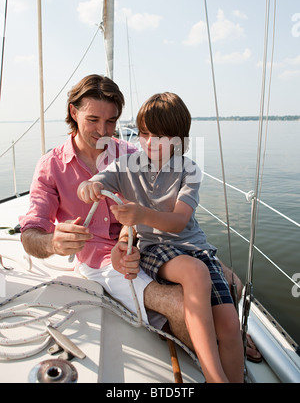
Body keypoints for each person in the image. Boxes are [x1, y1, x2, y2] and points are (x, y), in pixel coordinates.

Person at [20, 74, 261, 363]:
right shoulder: (51, 166)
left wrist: (126, 242)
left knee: (231, 282)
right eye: (93, 119)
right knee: (184, 304)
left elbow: (152, 207)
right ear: (74, 112)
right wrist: (54, 243)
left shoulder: (132, 153)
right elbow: (30, 235)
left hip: (144, 244)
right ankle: (218, 353)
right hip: (100, 261)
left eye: (111, 121)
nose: (103, 130)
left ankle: (227, 334)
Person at [77, 92, 244, 383]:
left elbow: (179, 222)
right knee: (195, 272)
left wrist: (140, 213)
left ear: (180, 139)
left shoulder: (189, 170)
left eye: (161, 136)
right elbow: (97, 181)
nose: (150, 142)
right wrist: (87, 187)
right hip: (158, 248)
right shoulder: (127, 165)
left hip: (196, 247)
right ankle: (215, 378)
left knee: (230, 325)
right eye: (144, 133)